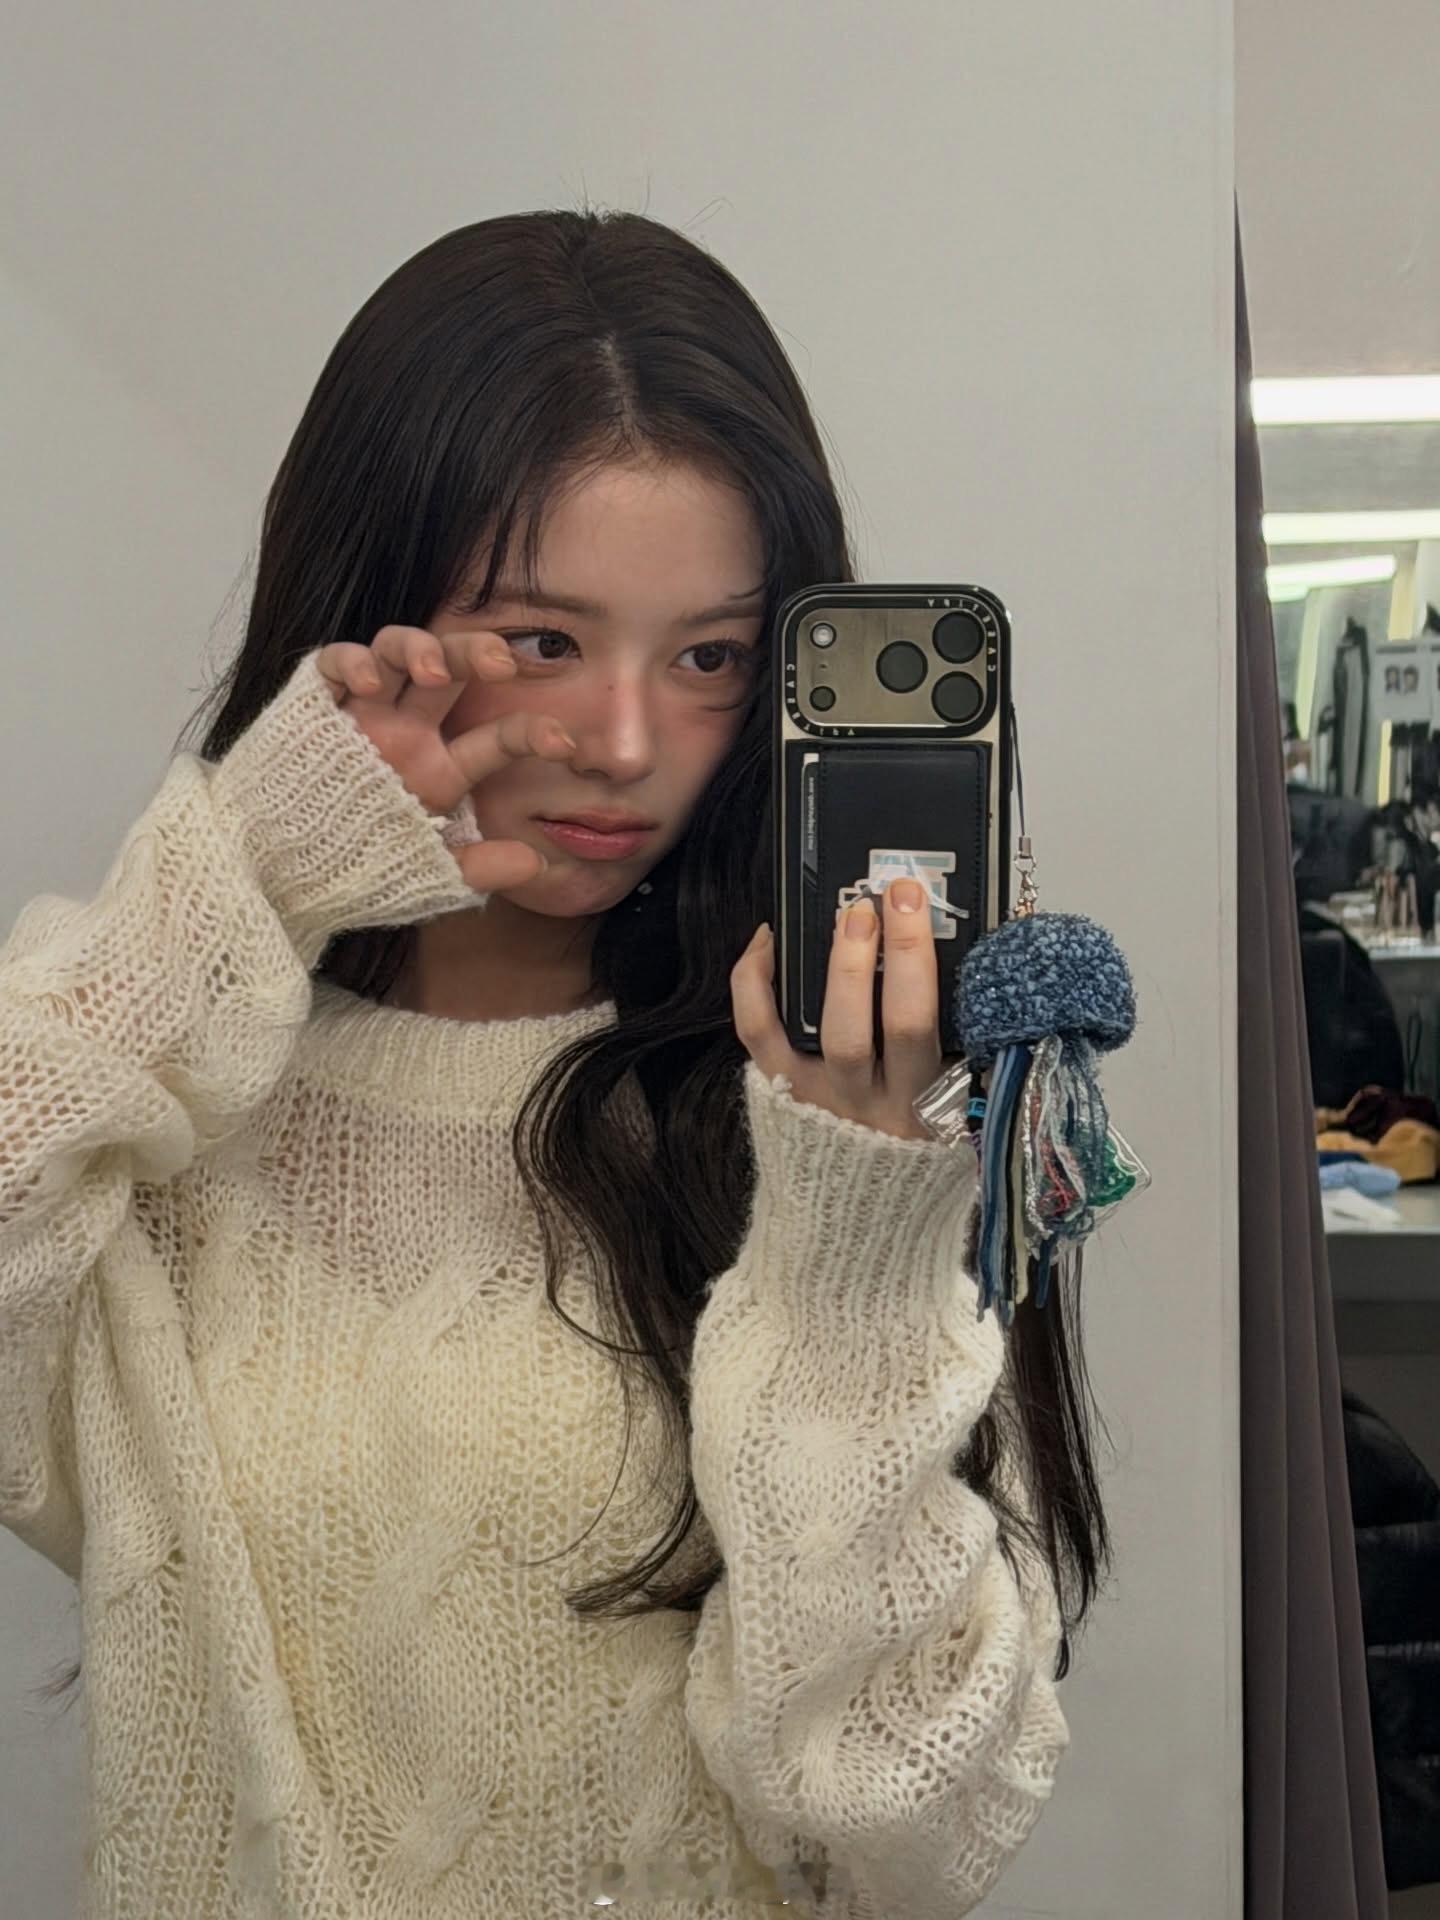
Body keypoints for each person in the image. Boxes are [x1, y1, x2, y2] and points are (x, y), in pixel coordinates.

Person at [0, 207, 1111, 1918]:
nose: (625, 745)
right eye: (542, 640)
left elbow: (910, 1830)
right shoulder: (158, 1092)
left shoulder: (852, 1115)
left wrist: (856, 1236)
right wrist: (249, 870)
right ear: (369, 614)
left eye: (711, 657)